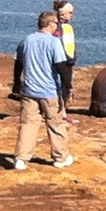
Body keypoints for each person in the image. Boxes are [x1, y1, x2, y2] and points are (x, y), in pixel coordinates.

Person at [12, 10, 74, 171]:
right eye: (56, 24)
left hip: (29, 90)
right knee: (55, 124)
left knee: (28, 125)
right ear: (51, 24)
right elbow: (62, 67)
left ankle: (21, 158)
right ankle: (60, 157)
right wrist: (67, 88)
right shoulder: (53, 42)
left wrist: (16, 85)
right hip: (49, 91)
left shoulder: (27, 40)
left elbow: (18, 63)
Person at [51, 0, 79, 110]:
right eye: (70, 13)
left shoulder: (67, 27)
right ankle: (59, 110)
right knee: (63, 87)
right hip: (61, 61)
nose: (72, 15)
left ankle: (62, 109)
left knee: (66, 87)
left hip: (68, 60)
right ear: (63, 13)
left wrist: (73, 56)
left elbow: (70, 44)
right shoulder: (56, 27)